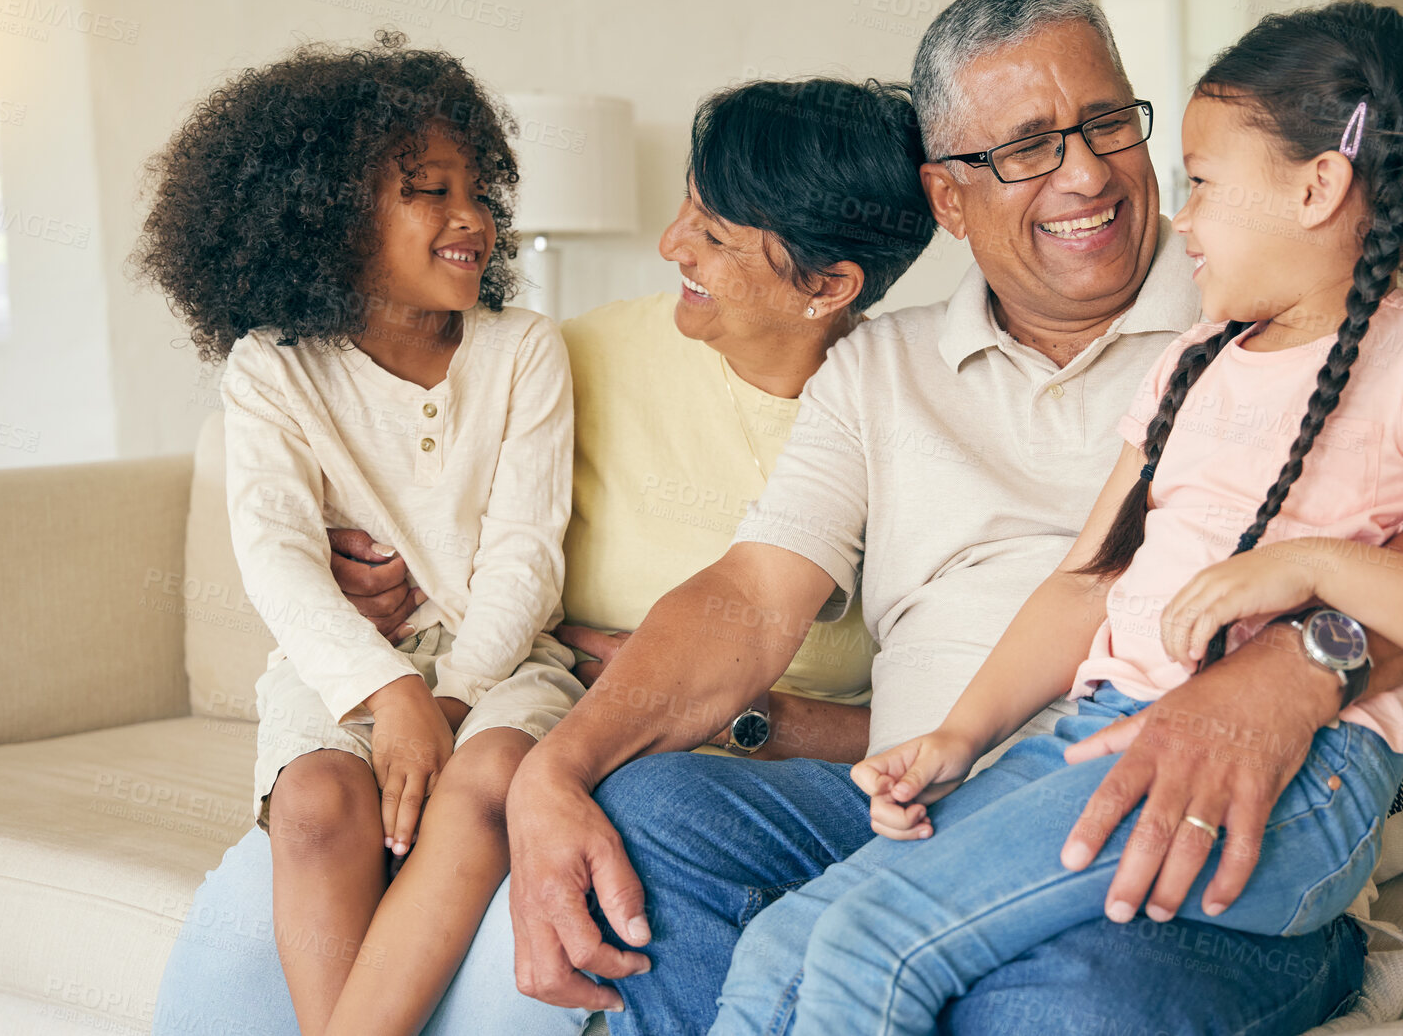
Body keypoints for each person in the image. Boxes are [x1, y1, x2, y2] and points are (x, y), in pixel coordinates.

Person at [501, 0, 1403, 1036]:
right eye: (1027, 146)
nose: (1086, 172)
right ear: (947, 197)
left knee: (1060, 991)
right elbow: (756, 595)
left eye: (1105, 124)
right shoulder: (883, 370)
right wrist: (557, 766)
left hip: (1176, 837)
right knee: (658, 816)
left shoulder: (1290, 315)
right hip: (937, 815)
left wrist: (1299, 667)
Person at [150, 76, 937, 1035]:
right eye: (685, 202)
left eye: (716, 235)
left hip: (625, 763)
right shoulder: (580, 353)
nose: (670, 244)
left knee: (531, 903)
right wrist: (364, 571)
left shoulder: (907, 422)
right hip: (448, 723)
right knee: (280, 875)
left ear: (829, 285)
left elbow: (960, 714)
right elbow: (425, 472)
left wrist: (743, 718)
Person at [135, 33, 583, 1036]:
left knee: (486, 782)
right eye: (427, 190)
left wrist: (453, 697)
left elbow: (526, 554)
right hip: (344, 663)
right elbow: (278, 557)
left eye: (477, 190)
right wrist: (386, 695)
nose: (469, 217)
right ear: (327, 221)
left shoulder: (523, 353)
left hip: (500, 659)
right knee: (314, 809)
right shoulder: (272, 369)